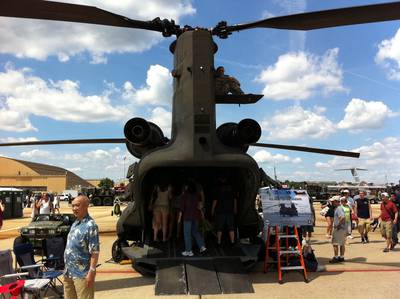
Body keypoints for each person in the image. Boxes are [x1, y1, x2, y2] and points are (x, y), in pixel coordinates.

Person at [64, 195, 100, 299]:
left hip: (82, 274)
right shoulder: (75, 223)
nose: (74, 208)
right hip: (68, 272)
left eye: (77, 206)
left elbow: (95, 252)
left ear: (86, 206)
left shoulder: (91, 225)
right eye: (73, 206)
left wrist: (92, 272)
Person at [178, 180, 206, 256]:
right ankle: (202, 246)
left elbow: (181, 208)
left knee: (187, 234)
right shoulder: (197, 195)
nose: (185, 187)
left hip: (187, 218)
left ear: (188, 187)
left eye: (186, 186)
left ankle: (189, 251)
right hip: (196, 217)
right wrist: (202, 214)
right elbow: (200, 206)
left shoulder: (184, 196)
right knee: (195, 232)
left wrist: (179, 219)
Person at [211, 176, 237, 246]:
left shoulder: (218, 189)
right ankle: (232, 242)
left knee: (219, 227)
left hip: (221, 210)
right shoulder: (231, 188)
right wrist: (235, 208)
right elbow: (235, 199)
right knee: (231, 227)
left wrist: (212, 210)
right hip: (230, 210)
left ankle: (219, 242)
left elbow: (215, 201)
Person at [329, 196, 347, 263]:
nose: (332, 202)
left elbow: (342, 217)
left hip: (339, 228)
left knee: (335, 243)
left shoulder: (338, 208)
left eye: (333, 201)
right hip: (342, 228)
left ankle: (336, 257)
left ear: (336, 201)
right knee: (342, 243)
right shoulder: (339, 208)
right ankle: (341, 257)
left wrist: (338, 225)